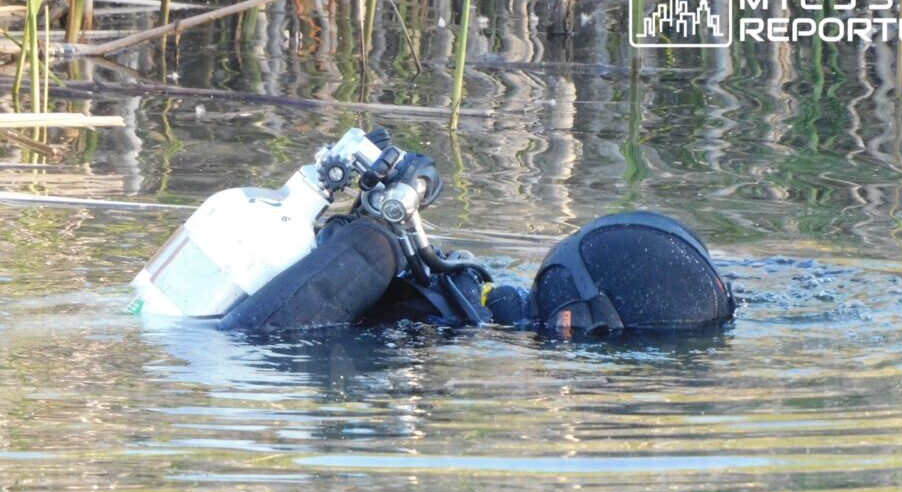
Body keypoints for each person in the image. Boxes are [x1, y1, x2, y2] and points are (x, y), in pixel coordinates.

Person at [218, 146, 736, 335]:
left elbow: (244, 341)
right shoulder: (472, 304)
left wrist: (375, 242)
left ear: (570, 322)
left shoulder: (379, 266)